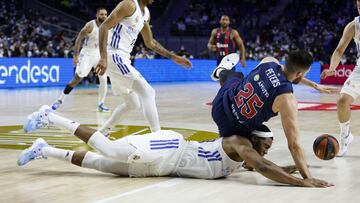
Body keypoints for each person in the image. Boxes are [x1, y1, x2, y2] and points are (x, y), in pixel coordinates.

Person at [19, 106, 333, 187]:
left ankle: (44, 149)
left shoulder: (246, 156)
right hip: (170, 147)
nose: (266, 151)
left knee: (102, 166)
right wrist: (303, 182)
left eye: (268, 147)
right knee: (112, 150)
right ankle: (51, 116)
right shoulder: (238, 143)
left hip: (168, 167)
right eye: (265, 145)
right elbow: (263, 167)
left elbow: (262, 166)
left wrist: (292, 168)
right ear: (253, 139)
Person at [210, 51, 338, 182]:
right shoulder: (286, 99)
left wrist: (315, 85)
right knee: (265, 139)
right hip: (231, 128)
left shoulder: (268, 61)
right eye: (305, 73)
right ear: (299, 73)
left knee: (235, 76)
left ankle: (221, 70)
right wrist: (308, 177)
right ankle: (249, 161)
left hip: (221, 103)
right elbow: (294, 145)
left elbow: (286, 74)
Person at [95, 0, 192, 135]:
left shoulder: (146, 14)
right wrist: (103, 57)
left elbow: (150, 42)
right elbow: (104, 27)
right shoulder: (128, 5)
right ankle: (157, 135)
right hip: (114, 56)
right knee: (148, 92)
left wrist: (174, 57)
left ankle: (102, 132)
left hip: (123, 59)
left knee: (133, 104)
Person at [320, 0, 360, 156]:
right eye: (358, 7)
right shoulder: (353, 26)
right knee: (342, 101)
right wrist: (332, 68)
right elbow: (338, 51)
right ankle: (345, 136)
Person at [51, 8, 111, 112]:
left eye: (105, 14)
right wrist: (75, 55)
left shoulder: (107, 26)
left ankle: (101, 104)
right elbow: (79, 38)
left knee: (104, 80)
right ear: (97, 15)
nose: (104, 16)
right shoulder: (90, 25)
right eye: (101, 14)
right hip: (87, 54)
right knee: (77, 79)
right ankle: (60, 100)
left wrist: (104, 57)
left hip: (98, 55)